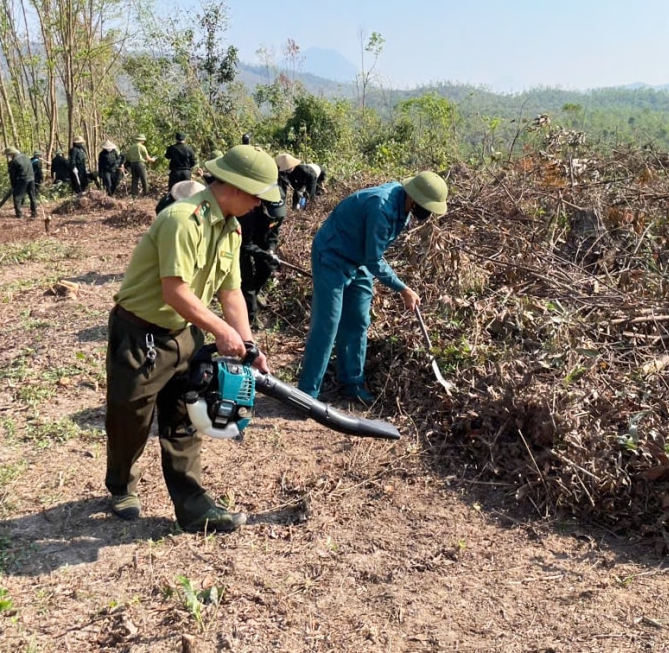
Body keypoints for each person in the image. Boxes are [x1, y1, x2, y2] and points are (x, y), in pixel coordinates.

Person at [104, 144, 280, 533]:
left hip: (184, 332)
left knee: (184, 417)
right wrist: (221, 332)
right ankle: (120, 486)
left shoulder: (231, 230)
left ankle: (193, 506)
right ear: (235, 187)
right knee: (129, 418)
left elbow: (231, 293)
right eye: (257, 196)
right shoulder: (183, 220)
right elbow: (175, 292)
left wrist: (247, 346)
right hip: (140, 335)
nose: (259, 206)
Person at [297, 171, 448, 404]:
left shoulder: (403, 206)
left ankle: (352, 384)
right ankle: (307, 394)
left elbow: (371, 256)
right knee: (328, 323)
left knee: (358, 321)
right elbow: (374, 259)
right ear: (413, 197)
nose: (426, 213)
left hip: (359, 261)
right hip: (332, 256)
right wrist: (403, 289)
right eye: (425, 206)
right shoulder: (382, 206)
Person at [238, 195, 286, 329]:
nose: (275, 217)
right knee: (246, 281)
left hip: (261, 241)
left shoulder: (279, 213)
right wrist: (264, 254)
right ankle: (250, 317)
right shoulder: (248, 214)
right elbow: (245, 245)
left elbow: (273, 234)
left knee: (266, 269)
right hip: (241, 245)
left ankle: (253, 294)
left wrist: (270, 251)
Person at [3, 145, 38, 218]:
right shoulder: (26, 157)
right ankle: (34, 213)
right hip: (31, 178)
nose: (8, 156)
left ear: (11, 154)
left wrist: (13, 185)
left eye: (8, 155)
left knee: (17, 197)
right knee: (32, 196)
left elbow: (13, 176)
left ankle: (19, 214)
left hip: (22, 179)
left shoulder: (14, 162)